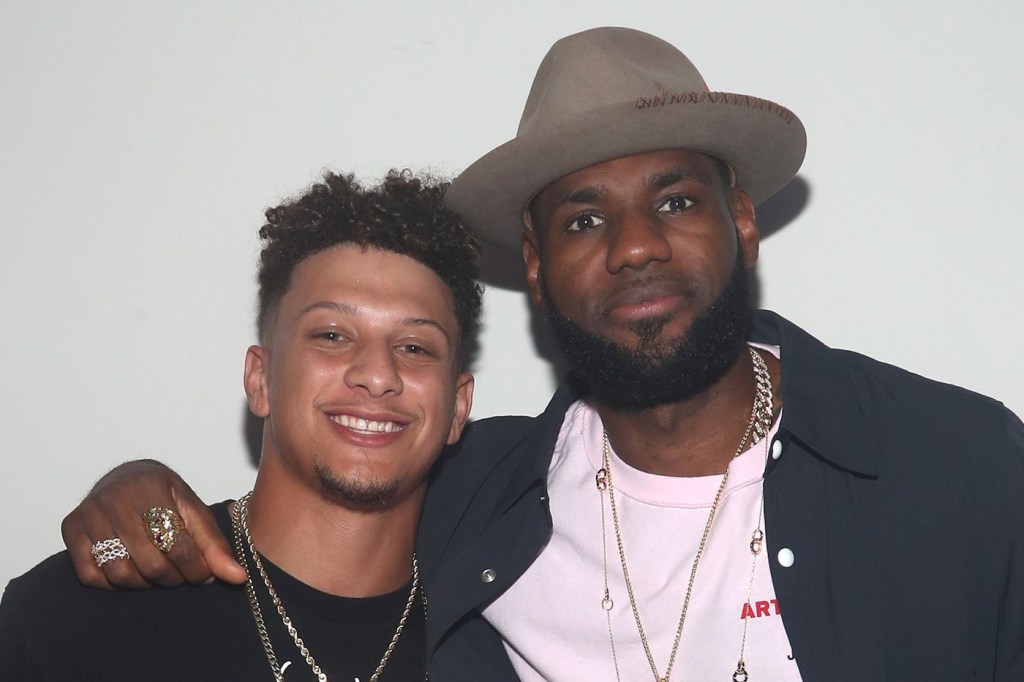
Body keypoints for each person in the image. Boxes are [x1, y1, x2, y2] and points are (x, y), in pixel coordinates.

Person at [48, 27, 1024, 681]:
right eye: (583, 218)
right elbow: (318, 503)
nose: (634, 245)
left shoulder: (962, 473)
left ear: (740, 220)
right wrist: (129, 498)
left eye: (675, 199)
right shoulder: (483, 499)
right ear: (536, 265)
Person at [0, 170, 481, 681]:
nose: (378, 374)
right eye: (332, 335)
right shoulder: (75, 620)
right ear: (259, 379)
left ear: (457, 407)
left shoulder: (500, 643)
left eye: (415, 347)